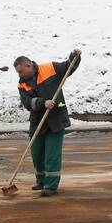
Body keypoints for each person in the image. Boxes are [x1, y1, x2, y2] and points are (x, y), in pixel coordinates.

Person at [14, 49, 82, 196]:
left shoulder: (50, 68)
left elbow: (68, 67)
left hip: (56, 120)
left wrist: (74, 56)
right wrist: (42, 103)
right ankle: (41, 181)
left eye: (20, 71)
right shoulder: (22, 85)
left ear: (28, 65)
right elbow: (27, 103)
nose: (19, 75)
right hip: (38, 121)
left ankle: (51, 186)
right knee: (37, 153)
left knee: (52, 154)